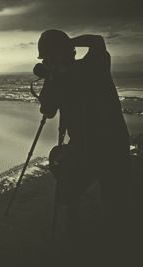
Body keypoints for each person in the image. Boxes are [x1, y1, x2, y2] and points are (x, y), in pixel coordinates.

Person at [36, 29, 131, 263]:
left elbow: (47, 110)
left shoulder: (66, 77)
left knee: (70, 189)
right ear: (73, 51)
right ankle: (115, 246)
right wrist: (58, 61)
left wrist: (52, 74)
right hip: (114, 143)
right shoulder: (96, 63)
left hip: (89, 147)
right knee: (114, 200)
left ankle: (76, 241)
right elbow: (98, 41)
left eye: (49, 57)